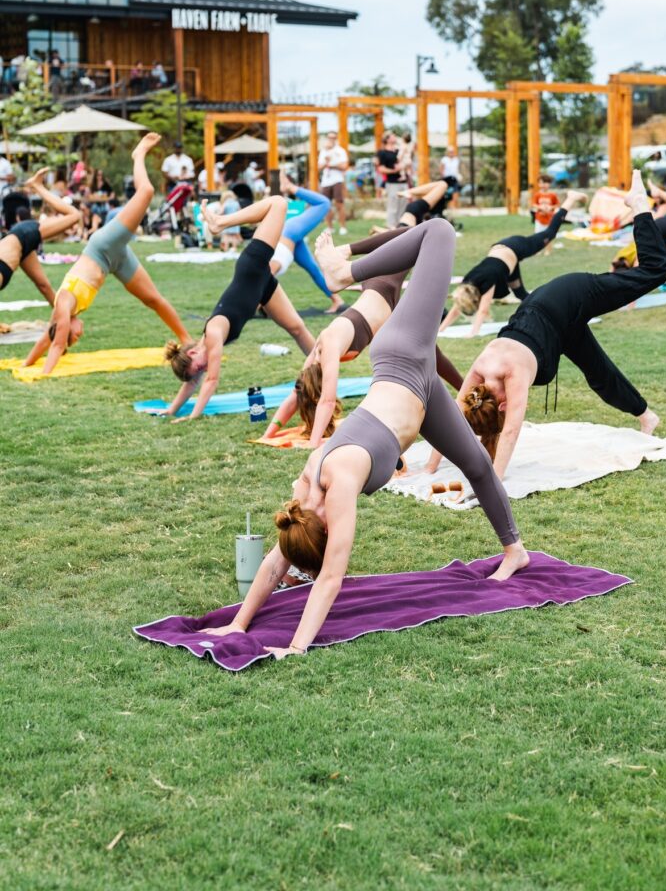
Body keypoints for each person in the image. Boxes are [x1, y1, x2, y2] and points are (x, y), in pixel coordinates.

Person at [199, 219, 530, 656]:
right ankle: (516, 552)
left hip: (402, 357)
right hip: (420, 390)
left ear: (323, 527)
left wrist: (296, 649)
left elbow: (331, 578)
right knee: (478, 467)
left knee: (440, 233)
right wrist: (238, 625)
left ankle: (343, 273)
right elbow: (276, 561)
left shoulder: (333, 485)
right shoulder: (304, 501)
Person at [455, 171, 666, 481]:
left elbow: (512, 429)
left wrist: (494, 483)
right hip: (554, 327)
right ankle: (647, 416)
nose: (505, 407)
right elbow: (456, 417)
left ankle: (638, 205)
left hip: (565, 298)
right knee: (598, 371)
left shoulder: (507, 374)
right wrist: (430, 467)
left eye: (499, 409)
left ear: (497, 405)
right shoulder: (480, 385)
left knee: (654, 271)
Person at [263, 225, 463, 445]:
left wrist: (314, 444)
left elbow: (327, 402)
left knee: (411, 233)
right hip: (388, 313)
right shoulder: (314, 360)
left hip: (381, 286)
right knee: (431, 352)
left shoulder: (328, 345)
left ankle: (345, 251)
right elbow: (294, 396)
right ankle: (465, 388)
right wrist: (268, 434)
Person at [24, 134, 191, 375]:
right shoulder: (63, 314)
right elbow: (46, 340)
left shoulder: (63, 307)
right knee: (153, 299)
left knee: (146, 191)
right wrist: (25, 365)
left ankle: (139, 154)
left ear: (65, 327)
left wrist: (44, 375)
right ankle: (186, 338)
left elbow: (57, 343)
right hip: (114, 261)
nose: (80, 334)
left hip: (103, 246)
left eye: (75, 336)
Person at [163, 196, 314, 422]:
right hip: (262, 286)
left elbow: (212, 381)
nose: (202, 370)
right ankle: (325, 364)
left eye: (198, 367)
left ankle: (220, 223)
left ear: (193, 353)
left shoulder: (213, 335)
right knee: (298, 329)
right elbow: (192, 383)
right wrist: (171, 410)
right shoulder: (205, 345)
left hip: (252, 267)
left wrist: (194, 416)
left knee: (279, 204)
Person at [440, 194, 584, 336]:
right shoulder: (467, 286)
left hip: (515, 247)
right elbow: (457, 307)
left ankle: (570, 199)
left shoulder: (487, 280)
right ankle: (547, 315)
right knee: (522, 295)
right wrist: (440, 330)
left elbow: (484, 309)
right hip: (507, 261)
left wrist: (473, 333)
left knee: (550, 233)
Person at [204, 170, 345, 313]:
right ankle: (337, 300)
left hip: (288, 235)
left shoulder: (265, 271)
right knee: (313, 268)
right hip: (290, 240)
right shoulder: (267, 274)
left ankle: (291, 188)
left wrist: (246, 306)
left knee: (324, 204)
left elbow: (254, 286)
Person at [0, 169, 82, 300]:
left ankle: (37, 186)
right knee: (44, 286)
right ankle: (67, 320)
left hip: (23, 234)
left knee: (74, 215)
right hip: (19, 247)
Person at [611, 181, 666, 297]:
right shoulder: (637, 246)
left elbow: (631, 268)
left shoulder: (623, 254)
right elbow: (636, 267)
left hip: (657, 230)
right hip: (656, 229)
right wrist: (631, 301)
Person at [318, 131, 349, 236]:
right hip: (326, 181)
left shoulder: (340, 151)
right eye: (329, 137)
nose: (331, 139)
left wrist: (331, 164)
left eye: (333, 137)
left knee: (339, 204)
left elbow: (344, 166)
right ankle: (330, 227)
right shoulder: (323, 151)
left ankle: (343, 227)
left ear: (336, 138)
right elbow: (319, 167)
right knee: (326, 205)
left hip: (337, 180)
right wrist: (327, 162)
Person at [376, 132, 407, 228]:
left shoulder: (398, 151)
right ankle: (391, 227)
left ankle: (400, 227)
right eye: (392, 136)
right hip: (392, 183)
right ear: (387, 139)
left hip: (403, 182)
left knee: (403, 206)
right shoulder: (382, 153)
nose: (395, 137)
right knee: (393, 206)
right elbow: (381, 168)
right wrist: (394, 170)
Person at [84, 168, 118, 233]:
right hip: (95, 204)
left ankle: (101, 224)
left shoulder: (105, 184)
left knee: (106, 209)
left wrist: (109, 198)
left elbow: (112, 193)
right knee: (94, 209)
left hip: (104, 204)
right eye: (98, 175)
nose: (99, 176)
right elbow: (89, 196)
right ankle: (94, 226)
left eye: (101, 175)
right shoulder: (93, 184)